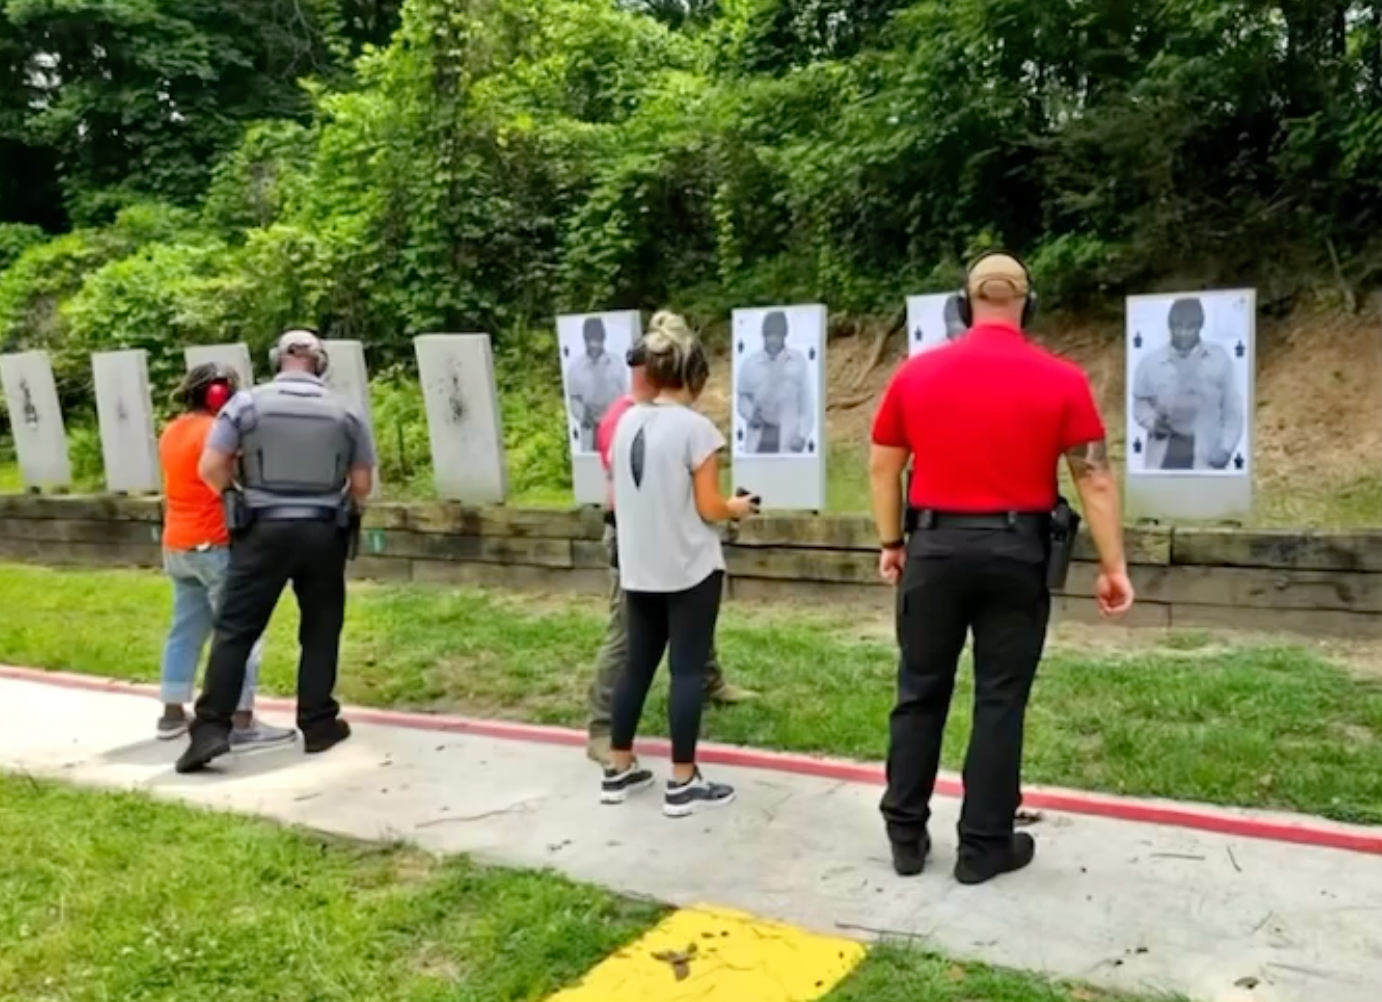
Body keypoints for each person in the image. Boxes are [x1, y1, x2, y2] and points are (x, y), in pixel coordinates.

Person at [868, 252, 1135, 885]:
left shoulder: (916, 374)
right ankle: (984, 845)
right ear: (1028, 305)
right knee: (1000, 699)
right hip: (1018, 552)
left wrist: (890, 541)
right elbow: (1093, 478)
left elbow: (884, 466)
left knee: (919, 691)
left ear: (963, 306)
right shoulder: (1062, 378)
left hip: (933, 549)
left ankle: (906, 834)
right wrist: (1113, 565)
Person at [175, 329, 377, 774]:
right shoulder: (347, 410)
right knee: (321, 628)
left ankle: (210, 730)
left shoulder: (246, 404)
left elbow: (210, 466)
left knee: (235, 630)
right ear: (320, 362)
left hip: (262, 529)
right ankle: (319, 723)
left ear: (276, 359)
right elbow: (362, 486)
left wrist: (238, 494)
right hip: (324, 531)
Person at [601, 312, 758, 816]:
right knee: (687, 672)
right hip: (689, 565)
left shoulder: (625, 420)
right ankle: (683, 780)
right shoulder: (696, 429)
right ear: (692, 374)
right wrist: (737, 508)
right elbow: (709, 507)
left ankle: (618, 767)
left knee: (637, 667)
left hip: (639, 566)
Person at [155, 363, 294, 751]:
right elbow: (234, 474)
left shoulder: (172, 429)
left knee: (185, 630)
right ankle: (242, 718)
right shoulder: (216, 432)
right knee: (240, 632)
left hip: (178, 544)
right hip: (213, 543)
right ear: (218, 394)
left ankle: (171, 712)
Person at [1131, 297, 1244, 471]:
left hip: (1206, 458)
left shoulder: (1220, 360)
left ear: (1200, 327)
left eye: (1190, 327)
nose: (1183, 333)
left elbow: (1233, 410)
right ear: (1170, 326)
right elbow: (1140, 404)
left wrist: (1226, 448)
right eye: (1178, 327)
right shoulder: (1150, 363)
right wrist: (1153, 423)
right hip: (1163, 459)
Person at [736, 310, 814, 454]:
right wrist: (750, 414)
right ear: (763, 335)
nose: (772, 340)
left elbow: (806, 401)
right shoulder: (750, 364)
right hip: (758, 439)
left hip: (788, 438)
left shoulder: (798, 361)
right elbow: (742, 398)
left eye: (776, 335)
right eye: (768, 335)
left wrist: (802, 435)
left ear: (784, 335)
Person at [567, 316, 629, 453]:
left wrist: (620, 416)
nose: (594, 345)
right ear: (585, 340)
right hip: (590, 428)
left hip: (614, 424)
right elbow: (574, 399)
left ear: (603, 339)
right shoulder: (575, 368)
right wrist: (583, 416)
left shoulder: (616, 363)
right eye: (590, 340)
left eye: (597, 340)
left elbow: (626, 394)